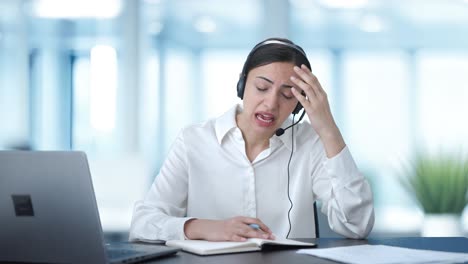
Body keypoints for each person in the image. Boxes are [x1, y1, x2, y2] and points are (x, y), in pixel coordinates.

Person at [129, 38, 374, 242]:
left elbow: (356, 225)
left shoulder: (310, 143)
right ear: (242, 83)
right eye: (261, 87)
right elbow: (143, 223)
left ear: (299, 104)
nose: (271, 104)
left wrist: (328, 129)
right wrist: (205, 228)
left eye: (287, 95)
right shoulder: (194, 140)